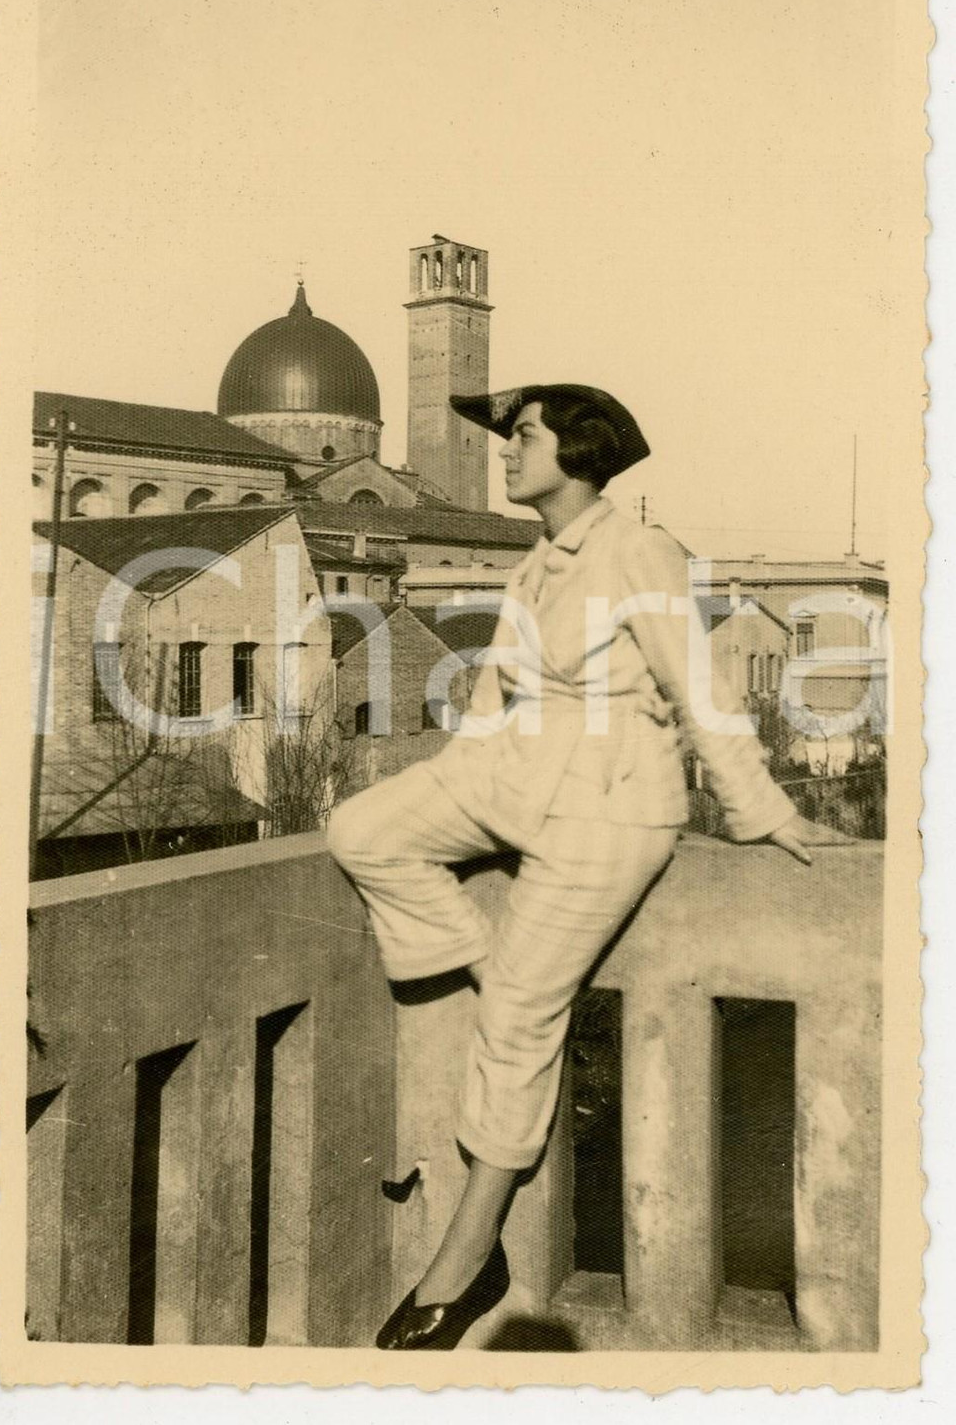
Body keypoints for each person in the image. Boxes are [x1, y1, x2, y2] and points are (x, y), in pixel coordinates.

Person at [327, 383, 811, 1350]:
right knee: (360, 829)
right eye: (510, 436)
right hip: (512, 773)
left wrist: (762, 808)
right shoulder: (538, 563)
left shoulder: (639, 553)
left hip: (610, 805)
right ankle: (491, 970)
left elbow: (700, 689)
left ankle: (467, 1257)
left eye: (526, 435)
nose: (508, 450)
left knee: (514, 1020)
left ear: (578, 451)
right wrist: (455, 778)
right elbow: (496, 694)